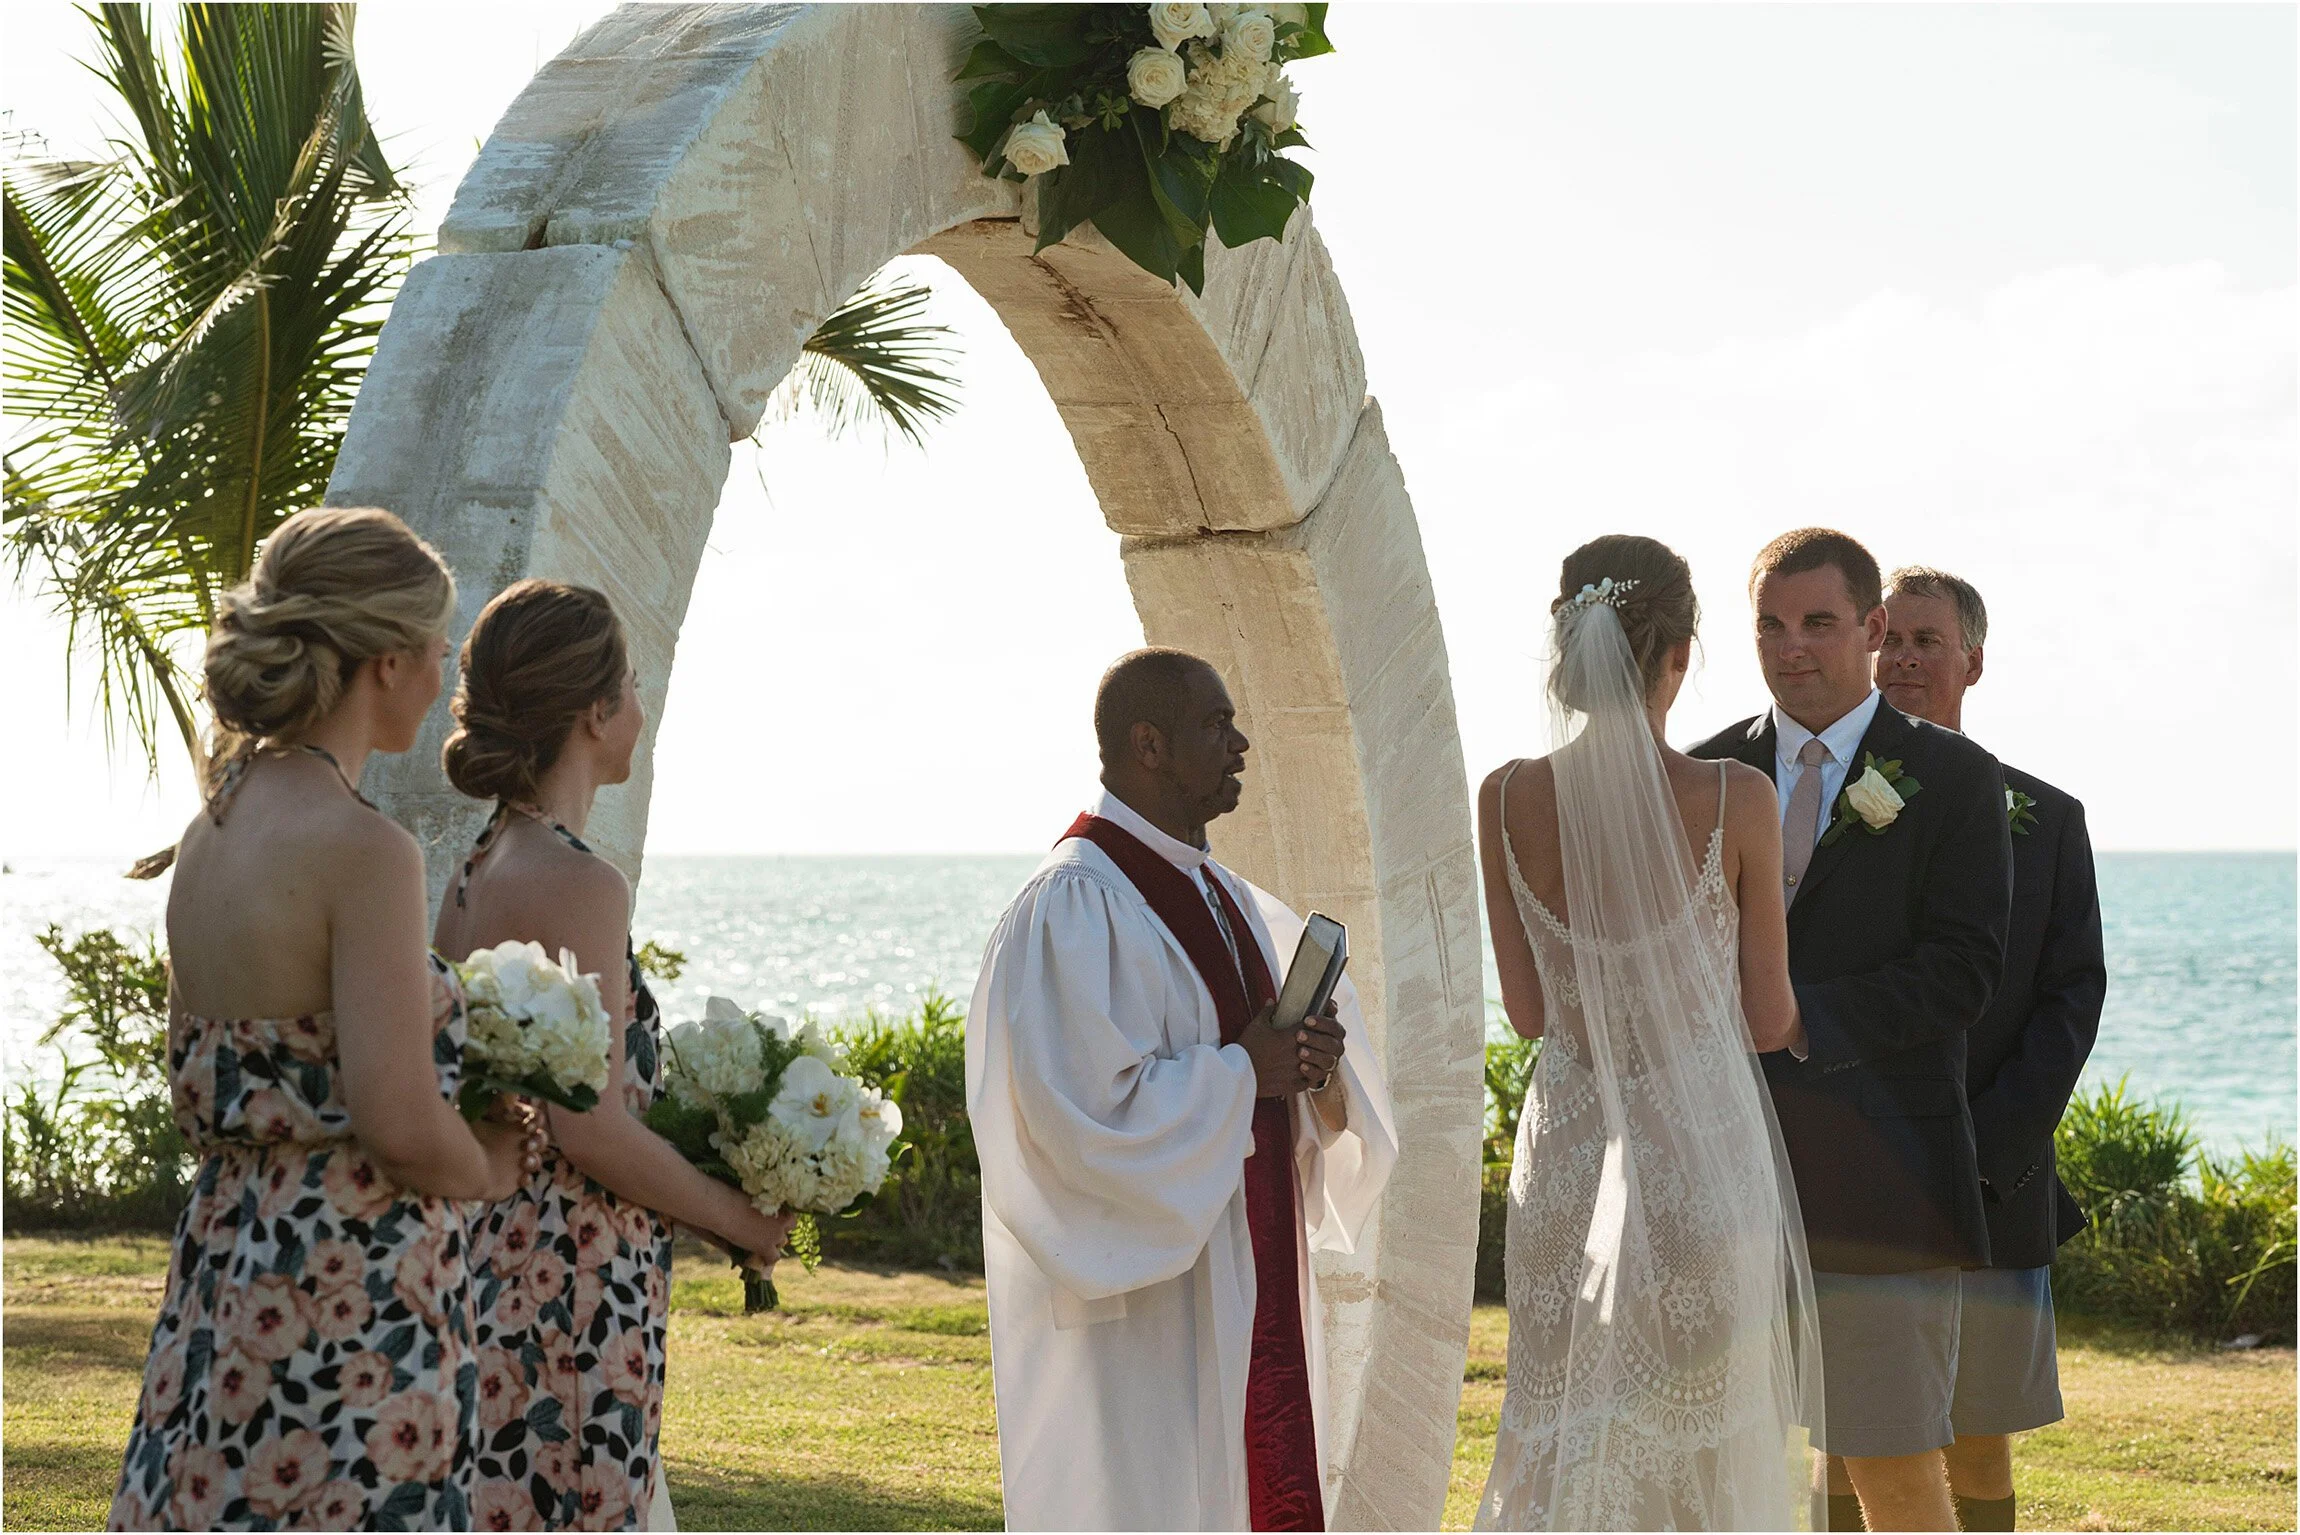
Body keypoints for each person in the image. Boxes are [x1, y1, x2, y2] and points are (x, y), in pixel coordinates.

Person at [109, 507, 531, 1532]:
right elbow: (395, 1115)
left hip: (228, 1270)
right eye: (438, 647)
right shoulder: (362, 846)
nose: (442, 675)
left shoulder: (211, 829)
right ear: (386, 661)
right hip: (350, 1294)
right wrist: (488, 1164)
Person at [966, 647, 1397, 1531]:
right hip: (1153, 1318)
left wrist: (1311, 1068)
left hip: (1243, 1270)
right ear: (1148, 744)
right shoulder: (1072, 906)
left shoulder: (1224, 893)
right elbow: (1076, 1122)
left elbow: (1268, 1072)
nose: (1241, 743)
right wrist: (1245, 1073)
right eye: (1216, 724)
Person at [1472, 536, 1824, 1531]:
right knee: (1702, 1441)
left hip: (1570, 1158)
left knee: (1555, 1420)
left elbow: (1529, 1013)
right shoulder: (1734, 799)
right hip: (1699, 1161)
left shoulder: (1502, 796)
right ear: (1678, 654)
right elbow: (1766, 1015)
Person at [433, 580, 795, 1533]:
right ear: (596, 712)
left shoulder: (476, 869)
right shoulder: (580, 879)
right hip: (572, 1289)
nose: (641, 706)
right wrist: (738, 1217)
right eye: (630, 683)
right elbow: (587, 1128)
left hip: (494, 1264)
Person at [1690, 529, 2013, 1534]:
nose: (1791, 647)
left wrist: (1801, 1019)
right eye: (1769, 624)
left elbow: (1963, 969)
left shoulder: (1952, 777)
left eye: (1817, 621)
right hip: (1720, 1170)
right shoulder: (1701, 769)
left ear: (1869, 628)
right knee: (1719, 1460)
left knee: (1890, 1464)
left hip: (1884, 1175)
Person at [1877, 567, 2105, 1533]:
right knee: (1859, 1428)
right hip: (1859, 1174)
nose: (1904, 659)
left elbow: (2071, 997)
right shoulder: (1812, 805)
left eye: (1928, 641)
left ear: (1974, 659)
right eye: (1891, 638)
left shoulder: (2046, 819)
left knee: (1977, 1431)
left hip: (1994, 1179)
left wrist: (1989, 1150)